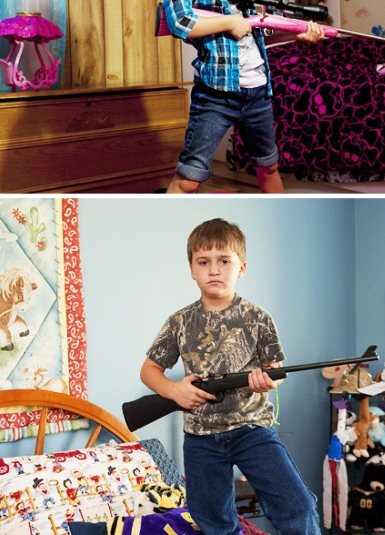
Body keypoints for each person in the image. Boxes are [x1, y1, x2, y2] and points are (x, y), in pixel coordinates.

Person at [139, 218, 320, 535]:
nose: (213, 270)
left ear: (242, 268)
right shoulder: (179, 321)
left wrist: (268, 380)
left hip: (251, 430)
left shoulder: (258, 318)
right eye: (203, 262)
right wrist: (174, 391)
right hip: (200, 438)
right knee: (213, 522)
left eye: (224, 261)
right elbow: (149, 371)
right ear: (192, 270)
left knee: (298, 507)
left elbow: (275, 370)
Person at [161, 0, 326, 194]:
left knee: (269, 166)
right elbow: (179, 22)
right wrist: (229, 21)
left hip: (258, 91)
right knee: (189, 177)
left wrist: (296, 33)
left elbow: (256, 29)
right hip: (216, 95)